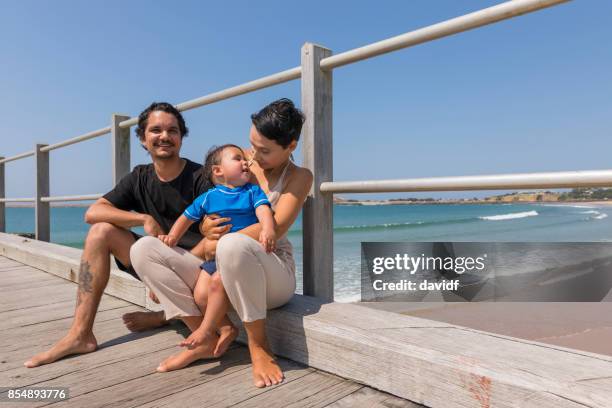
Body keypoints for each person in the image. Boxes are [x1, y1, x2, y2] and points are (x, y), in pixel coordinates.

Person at [129, 98, 313, 388]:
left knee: (232, 246)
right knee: (144, 249)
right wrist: (205, 228)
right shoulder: (238, 162)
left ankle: (259, 345)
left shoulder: (299, 177)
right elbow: (206, 211)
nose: (252, 157)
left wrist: (222, 238)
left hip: (272, 270)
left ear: (290, 146)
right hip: (220, 263)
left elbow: (276, 227)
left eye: (264, 151)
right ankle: (203, 336)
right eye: (252, 145)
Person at [24, 101, 213, 368]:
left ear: (182, 138)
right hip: (158, 260)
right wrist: (142, 218)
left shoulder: (201, 178)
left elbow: (217, 237)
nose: (164, 137)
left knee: (152, 250)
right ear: (143, 139)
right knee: (101, 232)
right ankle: (80, 334)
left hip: (197, 267)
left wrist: (166, 272)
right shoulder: (140, 176)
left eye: (173, 130)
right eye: (156, 130)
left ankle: (174, 321)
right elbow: (93, 213)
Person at [158, 143, 276, 348]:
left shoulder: (252, 191)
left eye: (244, 159)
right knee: (201, 294)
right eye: (237, 158)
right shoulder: (209, 197)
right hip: (215, 258)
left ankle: (204, 329)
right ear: (218, 171)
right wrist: (173, 237)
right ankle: (225, 328)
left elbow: (263, 211)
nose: (245, 162)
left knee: (216, 284)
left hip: (242, 258)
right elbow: (186, 217)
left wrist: (267, 228)